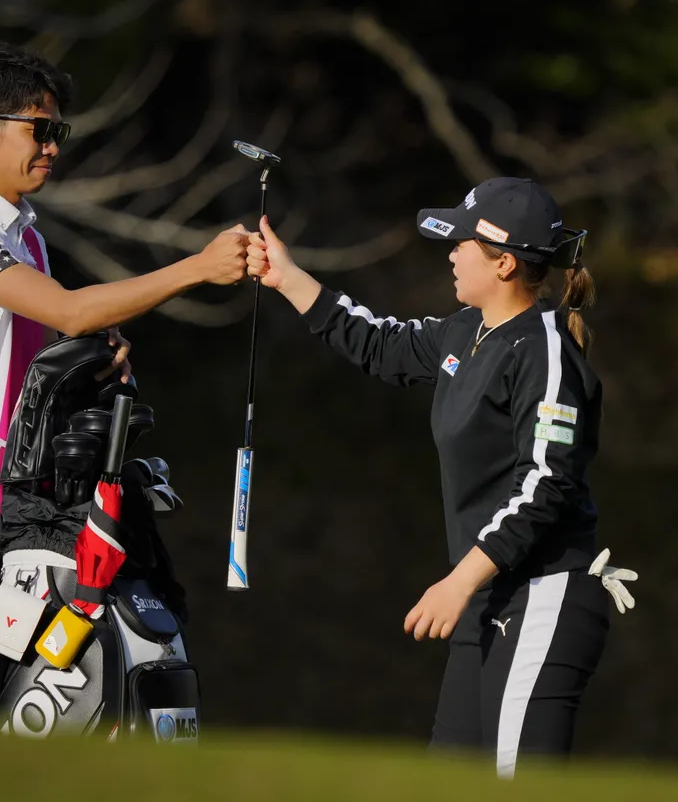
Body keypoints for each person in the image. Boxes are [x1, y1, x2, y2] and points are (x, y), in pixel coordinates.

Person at [0, 41, 248, 720]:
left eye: (58, 132)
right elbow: (69, 309)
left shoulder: (27, 239)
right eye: (39, 129)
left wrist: (100, 351)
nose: (52, 147)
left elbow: (57, 338)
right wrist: (197, 267)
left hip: (4, 483)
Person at [246, 176, 637, 777]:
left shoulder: (545, 353)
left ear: (504, 263)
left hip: (546, 597)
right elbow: (378, 343)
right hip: (488, 598)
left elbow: (546, 486)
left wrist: (459, 582)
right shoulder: (465, 331)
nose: (451, 254)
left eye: (462, 244)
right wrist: (287, 276)